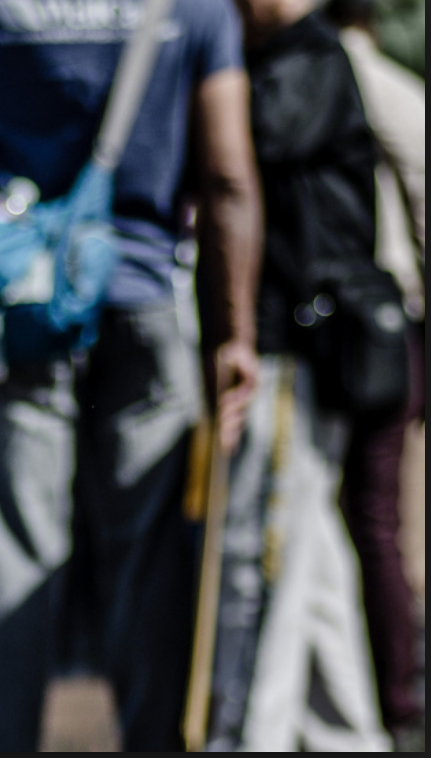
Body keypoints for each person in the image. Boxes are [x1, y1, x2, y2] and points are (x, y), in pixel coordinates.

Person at [0, 0, 263, 751]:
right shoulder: (198, 9)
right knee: (147, 566)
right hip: (146, 301)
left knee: (10, 558)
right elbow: (227, 180)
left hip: (19, 306)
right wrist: (234, 335)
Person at [206, 0, 393, 750]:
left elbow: (244, 146)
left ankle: (253, 737)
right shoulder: (302, 56)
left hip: (296, 346)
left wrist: (205, 76)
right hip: (309, 345)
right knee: (312, 553)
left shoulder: (308, 58)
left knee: (268, 552)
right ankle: (351, 736)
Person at [329, 1, 425, 746]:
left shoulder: (357, 74)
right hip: (367, 324)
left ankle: (393, 693)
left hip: (374, 328)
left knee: (374, 520)